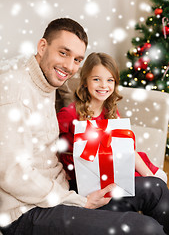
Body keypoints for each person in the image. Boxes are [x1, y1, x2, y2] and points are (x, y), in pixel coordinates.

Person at [0, 18, 169, 235]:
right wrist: (79, 201)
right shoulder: (14, 89)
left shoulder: (45, 80)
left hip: (60, 192)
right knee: (146, 229)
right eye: (63, 53)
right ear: (42, 47)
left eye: (77, 59)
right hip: (26, 211)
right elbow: (12, 174)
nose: (70, 66)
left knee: (154, 188)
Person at [57, 52, 167, 185]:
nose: (104, 85)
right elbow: (51, 148)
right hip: (86, 175)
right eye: (96, 79)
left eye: (110, 80)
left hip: (113, 165)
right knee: (150, 185)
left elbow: (125, 149)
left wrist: (149, 176)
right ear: (85, 82)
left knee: (159, 177)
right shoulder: (69, 114)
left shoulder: (109, 111)